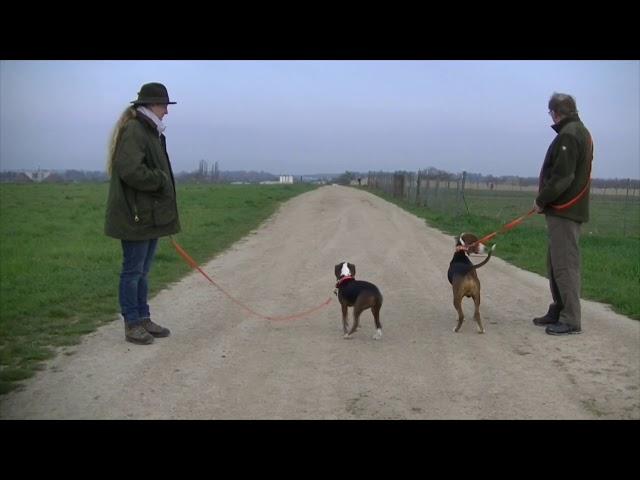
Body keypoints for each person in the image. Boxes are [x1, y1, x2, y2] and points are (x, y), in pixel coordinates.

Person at [105, 82, 181, 344]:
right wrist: (160, 180)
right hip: (135, 215)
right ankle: (132, 323)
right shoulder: (136, 130)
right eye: (163, 106)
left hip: (149, 215)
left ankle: (143, 318)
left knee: (143, 272)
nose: (167, 112)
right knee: (133, 271)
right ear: (150, 105)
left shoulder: (151, 131)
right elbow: (130, 170)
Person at [533, 93, 593, 335]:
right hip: (563, 211)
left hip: (564, 211)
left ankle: (571, 319)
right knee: (555, 263)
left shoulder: (569, 134)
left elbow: (563, 177)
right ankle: (558, 309)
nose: (552, 118)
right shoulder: (579, 131)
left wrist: (541, 200)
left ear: (556, 113)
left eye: (551, 114)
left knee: (565, 266)